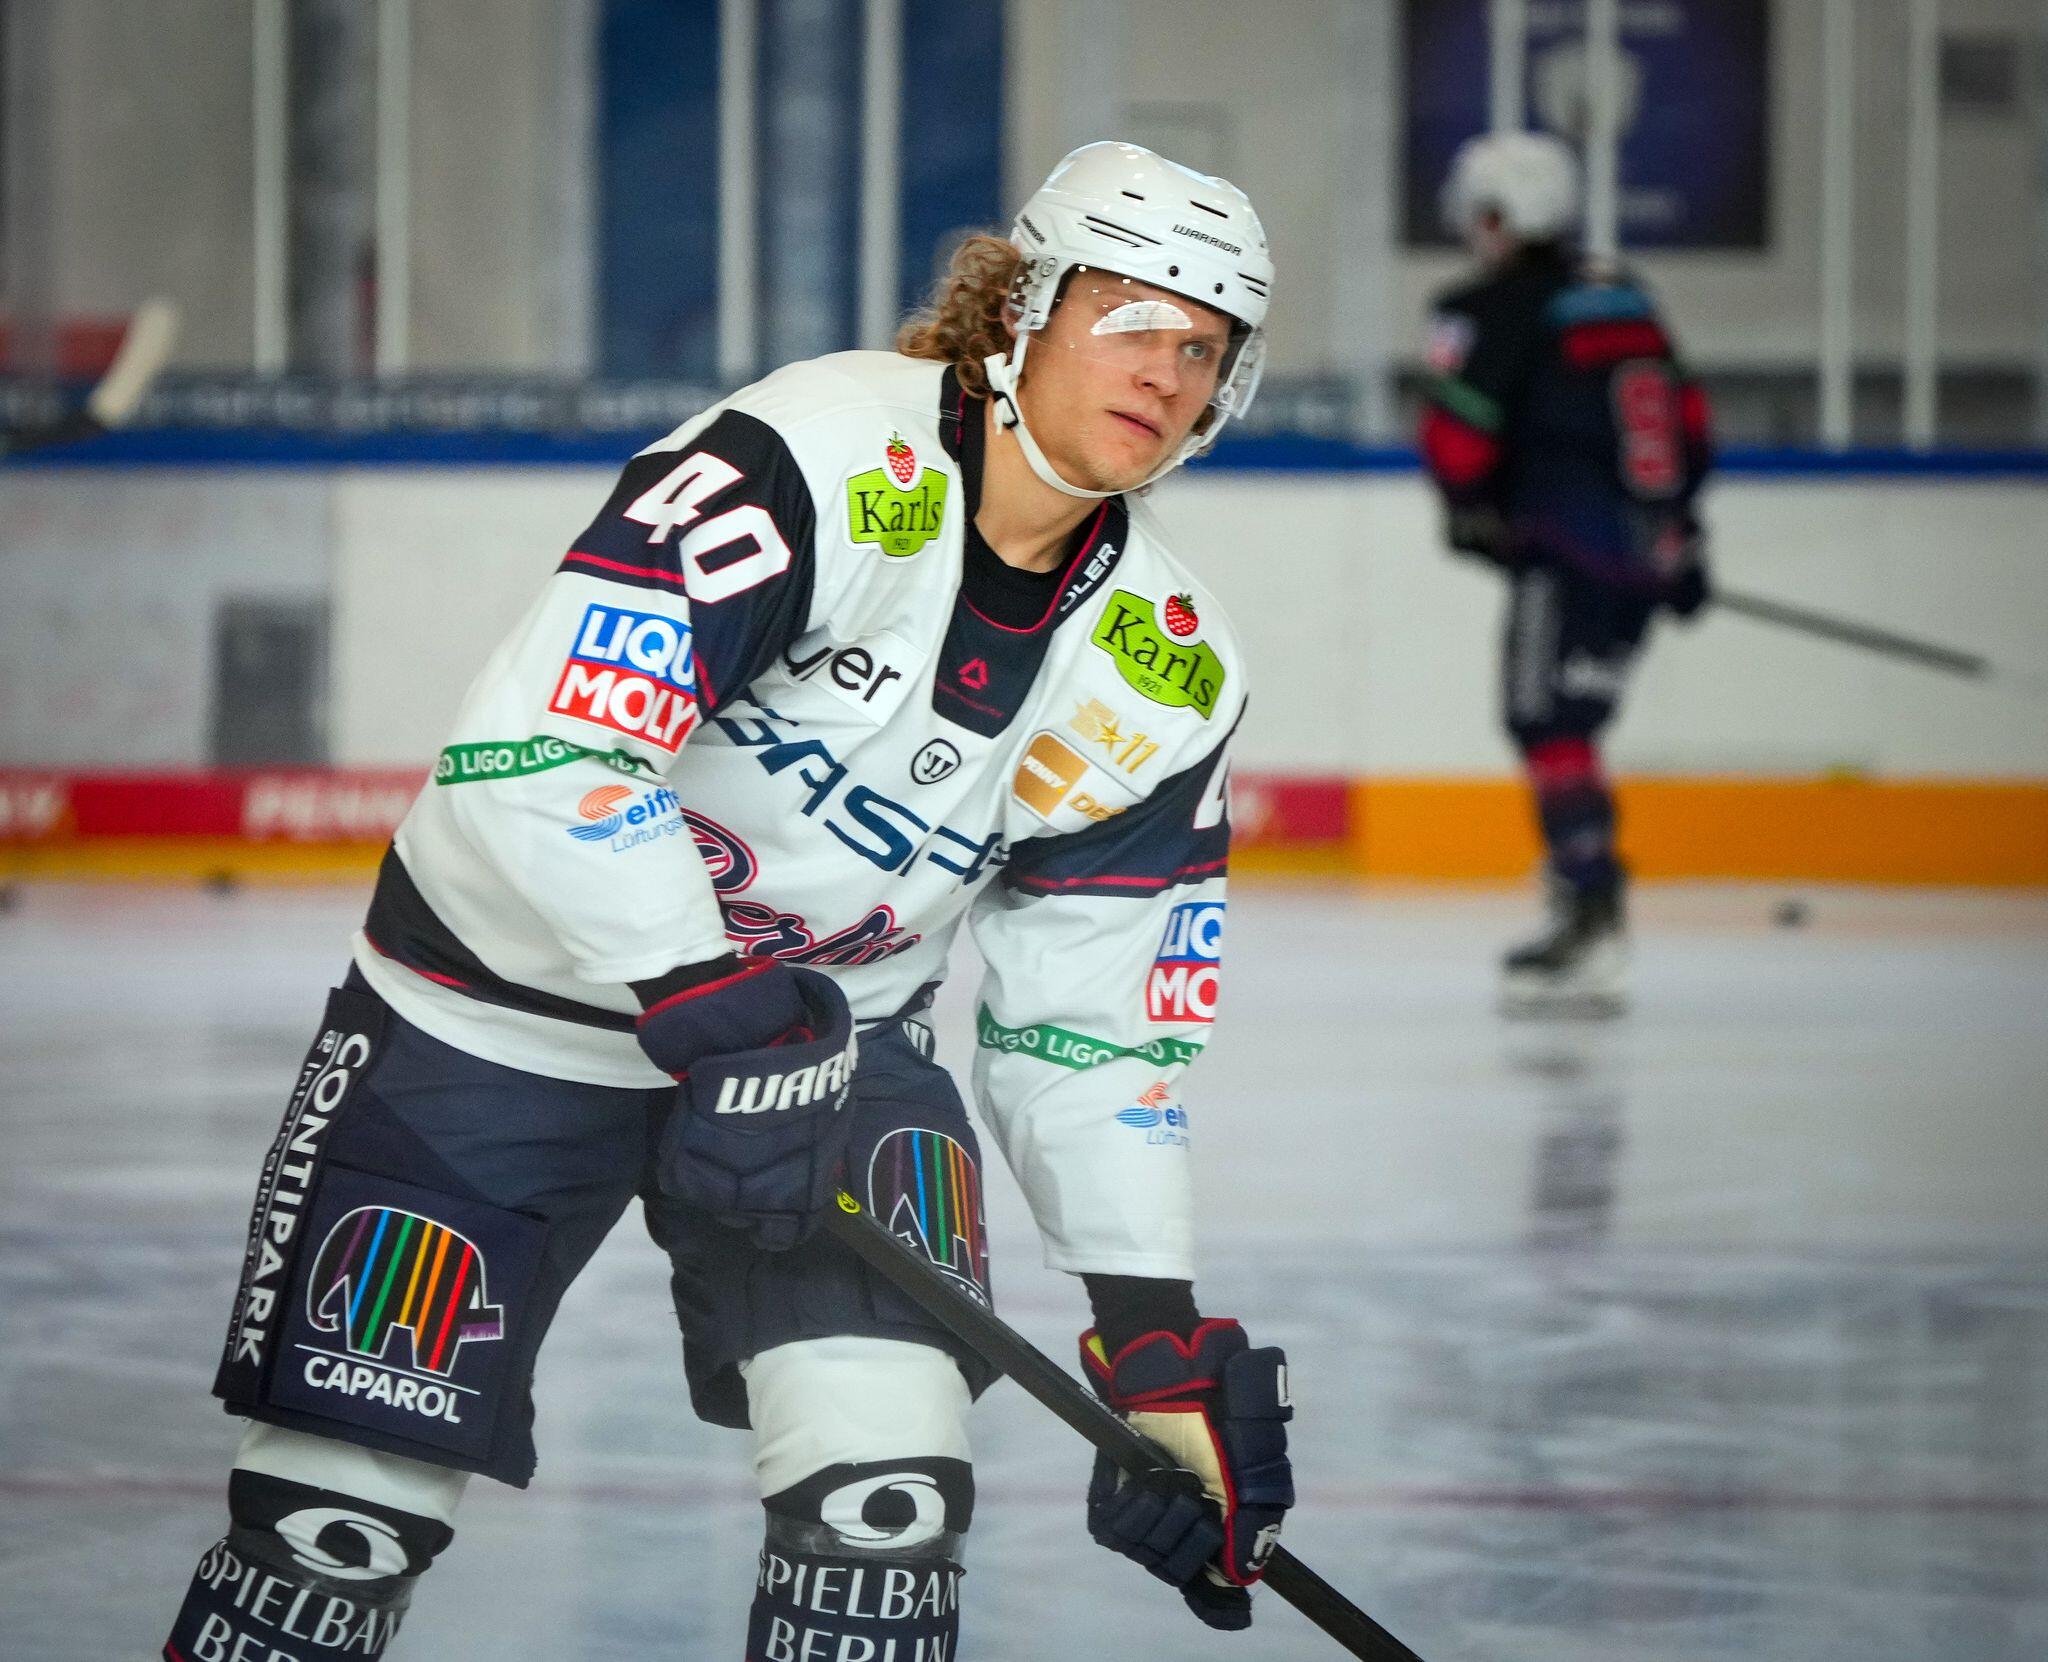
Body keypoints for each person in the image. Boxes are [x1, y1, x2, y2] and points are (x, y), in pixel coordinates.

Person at [164, 142, 1294, 1662]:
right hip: (487, 1022)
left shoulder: (1174, 666)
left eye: (1204, 348)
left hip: (828, 1053)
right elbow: (544, 752)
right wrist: (702, 993)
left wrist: (1151, 1333)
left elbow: (1094, 1031)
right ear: (1021, 306)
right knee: (332, 1525)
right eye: (1131, 316)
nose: (1165, 368)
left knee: (886, 1499)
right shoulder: (816, 454)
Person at [1418, 130, 1714, 1016]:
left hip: (1565, 552)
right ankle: (1588, 909)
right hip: (1641, 556)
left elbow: (1457, 439)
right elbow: (1688, 425)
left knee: (1547, 725)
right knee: (1571, 725)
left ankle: (1591, 918)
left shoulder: (1488, 304)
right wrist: (1682, 542)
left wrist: (1471, 510)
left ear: (1497, 218)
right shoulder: (1625, 294)